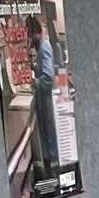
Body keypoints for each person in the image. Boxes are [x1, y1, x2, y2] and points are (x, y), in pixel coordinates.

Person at [26, 14, 60, 177]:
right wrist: (34, 67)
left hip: (47, 100)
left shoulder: (44, 46)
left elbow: (47, 77)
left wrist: (35, 82)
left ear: (35, 33)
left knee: (50, 133)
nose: (29, 40)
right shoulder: (42, 47)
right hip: (44, 100)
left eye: (29, 36)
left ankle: (52, 166)